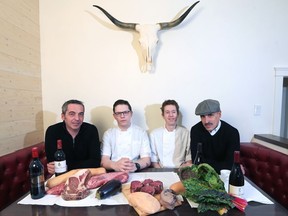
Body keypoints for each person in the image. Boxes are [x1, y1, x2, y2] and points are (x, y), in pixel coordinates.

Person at [45, 99, 101, 175]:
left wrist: (66, 166)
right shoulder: (52, 131)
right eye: (72, 114)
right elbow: (53, 164)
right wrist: (83, 164)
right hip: (61, 176)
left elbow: (95, 162)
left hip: (86, 174)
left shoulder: (91, 130)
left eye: (81, 114)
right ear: (63, 116)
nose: (77, 118)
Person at [190, 99, 240, 174]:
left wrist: (204, 165)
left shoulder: (232, 133)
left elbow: (230, 165)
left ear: (219, 114)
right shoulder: (195, 130)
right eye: (203, 116)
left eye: (210, 115)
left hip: (224, 176)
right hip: (203, 176)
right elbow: (196, 161)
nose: (206, 121)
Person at [101, 99, 151, 172]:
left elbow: (147, 159)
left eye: (125, 112)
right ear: (114, 116)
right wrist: (115, 165)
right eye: (118, 113)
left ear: (131, 113)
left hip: (135, 170)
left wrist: (135, 165)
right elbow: (104, 161)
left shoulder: (141, 133)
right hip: (114, 171)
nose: (122, 116)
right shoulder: (108, 134)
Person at [150, 100, 192, 168]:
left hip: (180, 169)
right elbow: (153, 159)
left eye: (173, 112)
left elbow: (189, 156)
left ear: (177, 114)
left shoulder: (185, 133)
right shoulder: (155, 134)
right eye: (167, 112)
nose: (171, 115)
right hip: (160, 170)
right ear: (163, 115)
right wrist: (161, 173)